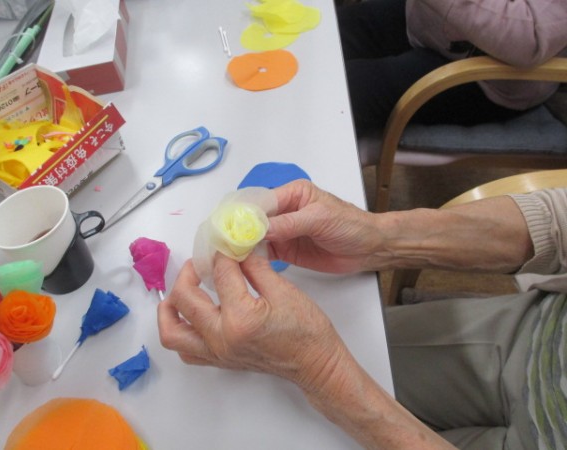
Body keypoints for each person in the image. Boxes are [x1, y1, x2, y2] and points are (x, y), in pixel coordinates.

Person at [158, 179, 567, 449]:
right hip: (536, 331)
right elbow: (559, 220)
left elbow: (318, 368)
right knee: (276, 397)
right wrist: (381, 238)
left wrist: (322, 374)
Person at [336, 0, 567, 135]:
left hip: (490, 76)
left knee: (346, 92)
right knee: (329, 35)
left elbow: (526, 39)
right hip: (428, 22)